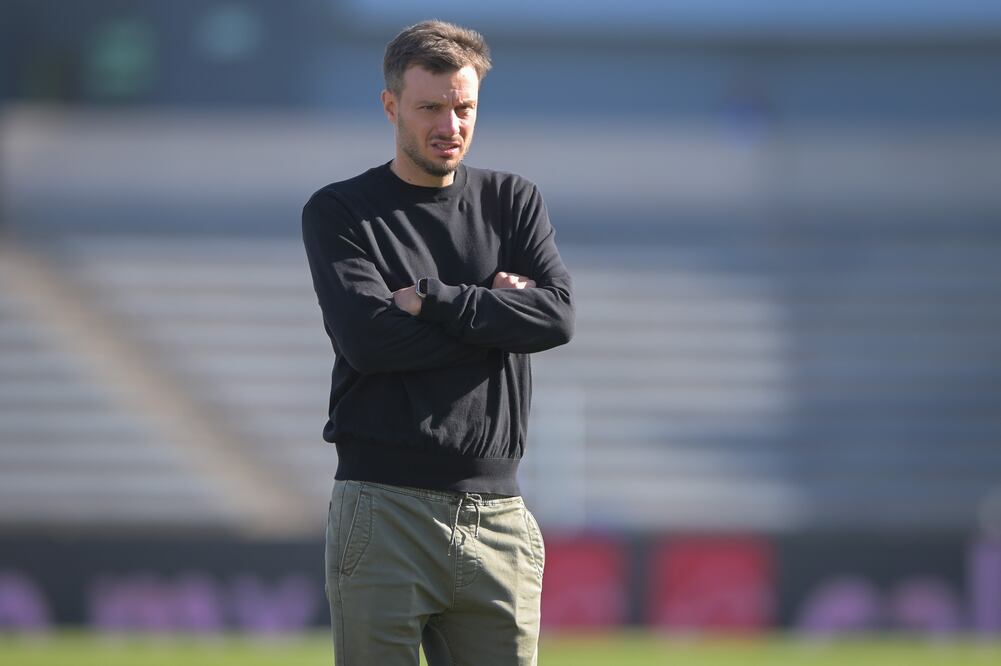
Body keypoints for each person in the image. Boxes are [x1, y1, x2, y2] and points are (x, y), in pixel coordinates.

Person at [301, 19, 574, 666]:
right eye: (430, 108)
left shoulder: (512, 201)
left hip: (499, 516)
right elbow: (369, 343)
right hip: (383, 509)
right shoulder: (341, 212)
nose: (449, 126)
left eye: (463, 108)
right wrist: (500, 316)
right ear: (390, 105)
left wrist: (437, 300)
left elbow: (556, 320)